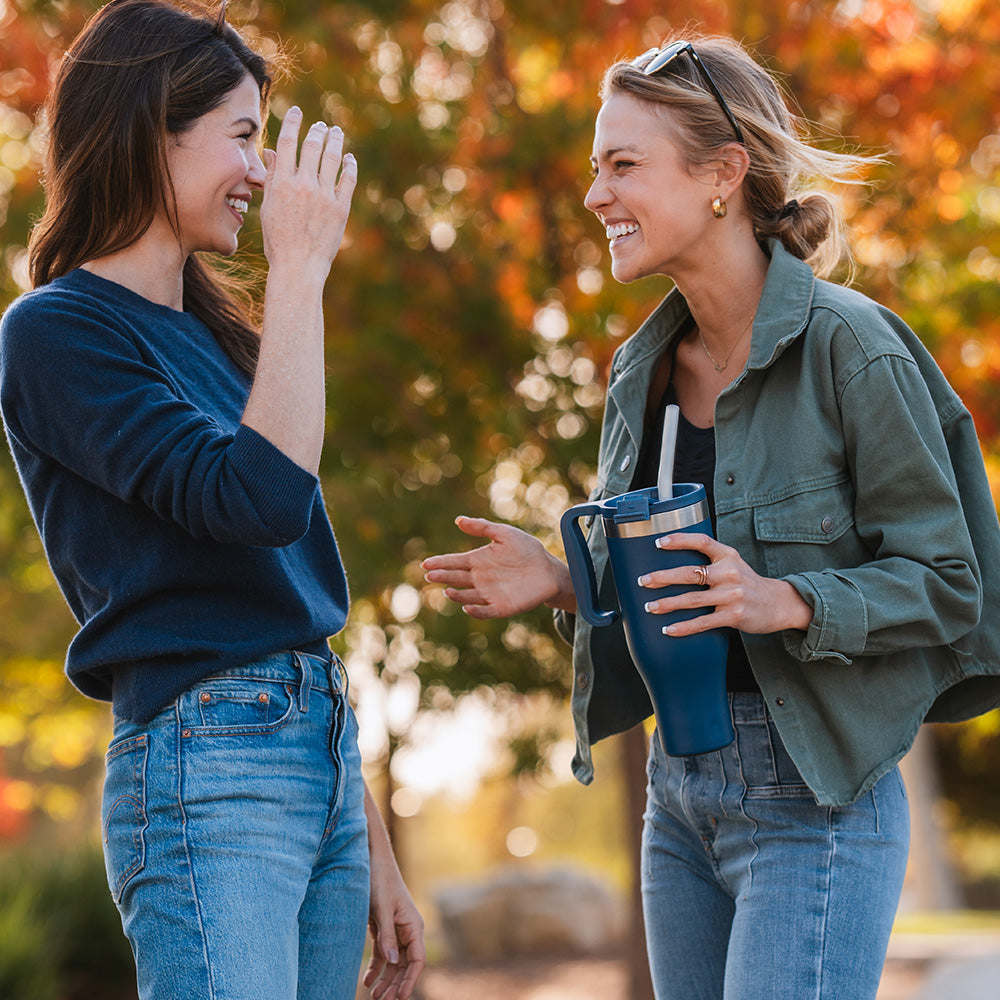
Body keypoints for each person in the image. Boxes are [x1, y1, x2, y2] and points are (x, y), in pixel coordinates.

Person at [422, 33, 1000, 1000]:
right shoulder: (640, 377)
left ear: (722, 175)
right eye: (595, 169)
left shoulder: (853, 352)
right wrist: (568, 579)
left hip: (815, 800)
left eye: (623, 165)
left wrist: (789, 600)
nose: (595, 196)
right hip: (677, 799)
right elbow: (672, 588)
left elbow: (950, 585)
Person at [0, 2, 424, 998]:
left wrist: (369, 837)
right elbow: (260, 498)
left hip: (315, 744)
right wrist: (303, 271)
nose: (262, 171)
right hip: (206, 765)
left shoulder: (227, 339)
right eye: (242, 136)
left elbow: (282, 594)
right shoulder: (56, 334)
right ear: (154, 130)